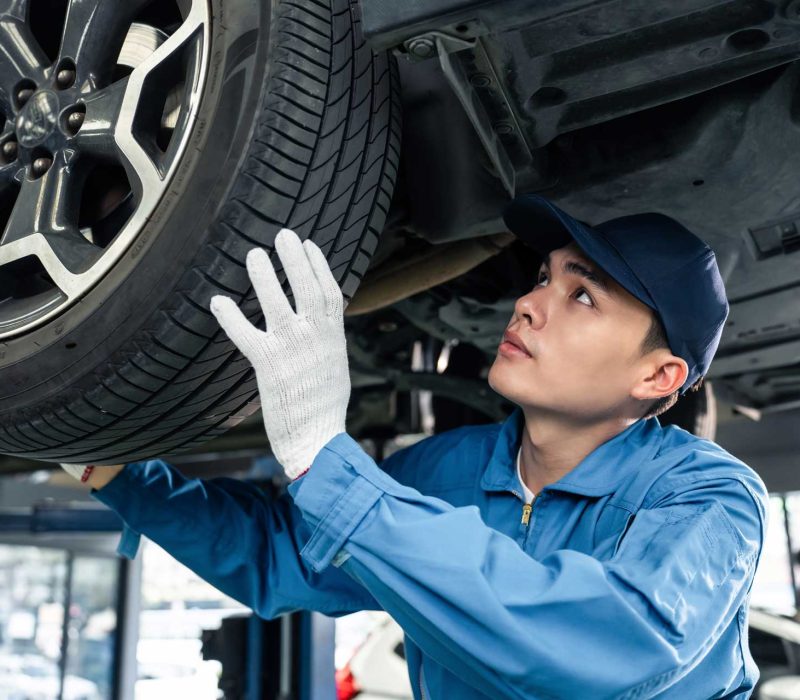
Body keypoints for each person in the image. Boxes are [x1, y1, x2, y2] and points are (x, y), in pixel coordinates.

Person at [60, 193, 768, 699]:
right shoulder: (448, 469)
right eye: (545, 276)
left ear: (658, 375)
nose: (529, 302)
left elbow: (604, 654)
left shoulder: (710, 498)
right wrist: (118, 471)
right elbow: (284, 551)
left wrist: (326, 463)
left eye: (583, 296)